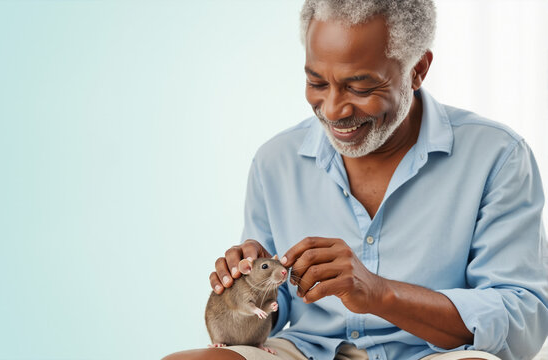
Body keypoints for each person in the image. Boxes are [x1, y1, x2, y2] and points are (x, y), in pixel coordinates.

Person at [164, 0, 548, 359]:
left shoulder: (498, 156)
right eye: (317, 83)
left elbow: (524, 320)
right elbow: (272, 317)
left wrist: (381, 294)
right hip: (307, 351)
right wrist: (246, 289)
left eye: (360, 87)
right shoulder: (274, 161)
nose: (332, 110)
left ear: (418, 70)